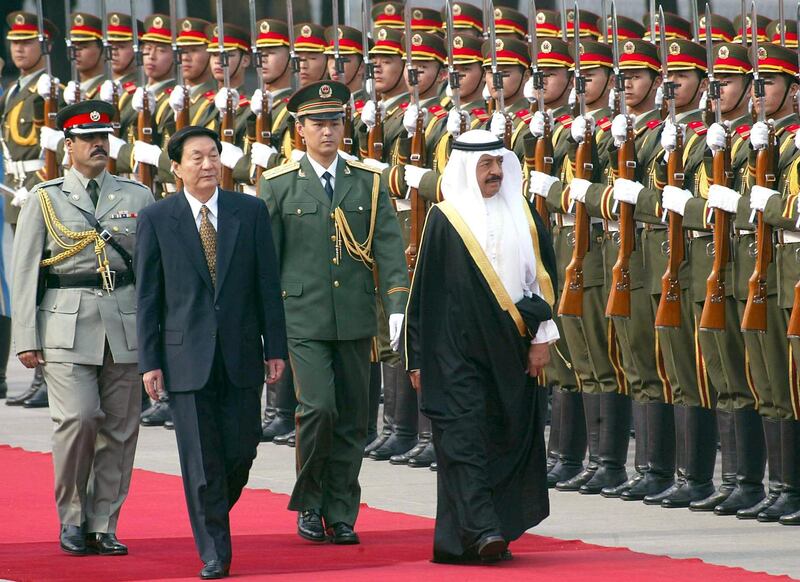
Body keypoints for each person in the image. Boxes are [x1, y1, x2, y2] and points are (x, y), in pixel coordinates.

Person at [259, 80, 409, 545]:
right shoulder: (279, 183)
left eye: (335, 122)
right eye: (318, 123)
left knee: (353, 419)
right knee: (318, 408)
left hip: (356, 314)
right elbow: (267, 263)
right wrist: (265, 326)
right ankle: (310, 503)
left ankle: (341, 511)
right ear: (299, 129)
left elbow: (388, 246)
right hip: (302, 316)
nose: (328, 132)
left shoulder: (368, 178)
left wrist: (398, 307)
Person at [135, 125, 287, 579]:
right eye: (197, 158)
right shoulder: (158, 218)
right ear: (176, 167)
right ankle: (215, 550)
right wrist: (150, 362)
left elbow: (267, 285)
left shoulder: (250, 210)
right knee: (201, 460)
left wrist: (274, 347)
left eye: (213, 156)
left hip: (241, 353)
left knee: (242, 448)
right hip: (185, 358)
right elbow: (148, 296)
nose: (207, 165)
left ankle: (215, 507)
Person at [405, 129, 557, 563]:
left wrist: (542, 339)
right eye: (485, 166)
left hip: (510, 348)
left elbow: (543, 280)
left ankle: (473, 539)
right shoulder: (445, 218)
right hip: (453, 353)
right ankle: (482, 528)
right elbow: (424, 295)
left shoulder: (524, 213)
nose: (494, 172)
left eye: (499, 164)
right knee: (462, 439)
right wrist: (416, 358)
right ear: (465, 170)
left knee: (501, 437)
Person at [11, 100, 154, 555]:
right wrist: (26, 338)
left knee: (120, 428)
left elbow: (152, 274)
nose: (98, 145)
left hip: (126, 324)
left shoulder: (137, 196)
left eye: (104, 138)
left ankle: (102, 522)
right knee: (78, 417)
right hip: (65, 324)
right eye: (88, 139)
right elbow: (26, 271)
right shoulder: (46, 197)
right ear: (68, 145)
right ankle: (71, 516)